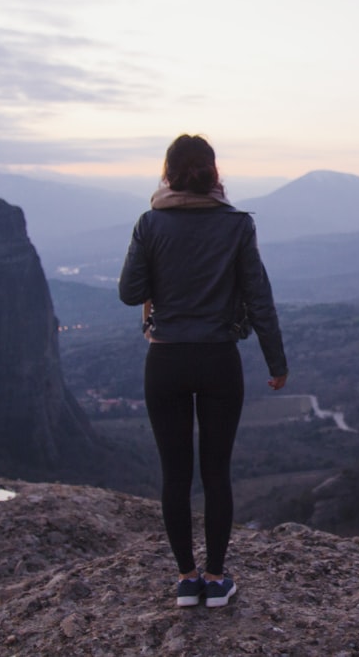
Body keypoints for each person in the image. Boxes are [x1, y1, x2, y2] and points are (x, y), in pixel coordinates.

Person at [118, 134, 288, 608]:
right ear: (215, 175)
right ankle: (217, 578)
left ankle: (186, 579)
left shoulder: (149, 223)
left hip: (166, 359)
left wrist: (163, 272)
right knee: (216, 473)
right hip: (218, 361)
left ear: (167, 174)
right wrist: (277, 362)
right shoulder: (236, 225)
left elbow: (130, 293)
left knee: (175, 475)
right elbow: (259, 298)